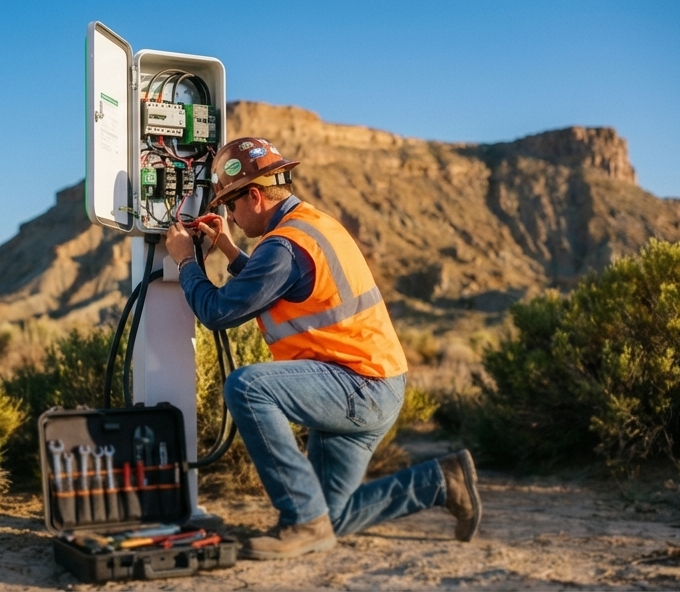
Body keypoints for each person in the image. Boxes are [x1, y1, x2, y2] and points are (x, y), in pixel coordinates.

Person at [164, 137, 480, 560]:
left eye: (231, 206)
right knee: (334, 516)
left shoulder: (283, 246)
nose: (232, 218)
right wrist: (227, 248)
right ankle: (442, 481)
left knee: (248, 387)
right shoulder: (307, 227)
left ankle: (301, 522)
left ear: (254, 196)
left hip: (356, 387)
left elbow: (219, 311)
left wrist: (185, 260)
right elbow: (278, 287)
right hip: (374, 384)